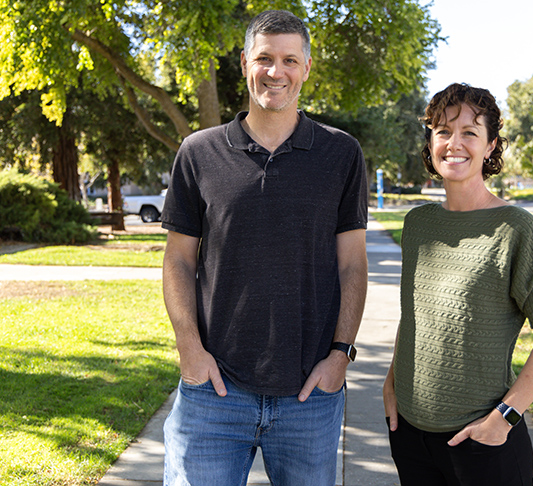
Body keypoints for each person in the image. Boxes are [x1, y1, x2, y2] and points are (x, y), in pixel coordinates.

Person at [160, 10, 368, 486]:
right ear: (244, 63)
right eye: (265, 59)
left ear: (307, 67)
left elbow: (353, 265)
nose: (276, 72)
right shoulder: (198, 152)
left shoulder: (342, 154)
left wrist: (341, 355)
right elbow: (178, 259)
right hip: (213, 392)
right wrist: (189, 348)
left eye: (290, 60)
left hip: (309, 398)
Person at [382, 83, 533, 486]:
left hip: (482, 443)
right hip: (411, 438)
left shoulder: (516, 230)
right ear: (431, 142)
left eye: (470, 132)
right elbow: (414, 314)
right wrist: (391, 384)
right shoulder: (418, 224)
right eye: (443, 131)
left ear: (490, 146)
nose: (455, 143)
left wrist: (503, 418)